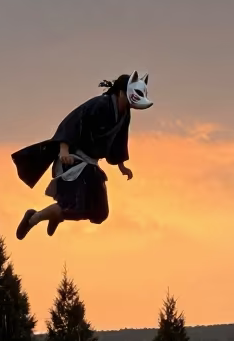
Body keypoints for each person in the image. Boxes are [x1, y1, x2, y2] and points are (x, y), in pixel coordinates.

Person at [11, 71, 152, 239]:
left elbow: (119, 140)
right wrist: (64, 150)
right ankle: (34, 218)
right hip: (72, 160)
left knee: (99, 212)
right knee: (73, 205)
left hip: (91, 165)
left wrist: (121, 165)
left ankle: (56, 214)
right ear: (121, 92)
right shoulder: (99, 104)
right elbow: (72, 122)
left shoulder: (124, 115)